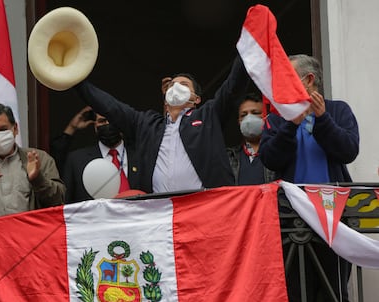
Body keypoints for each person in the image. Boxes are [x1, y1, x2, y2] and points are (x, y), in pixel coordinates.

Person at [259, 54, 359, 302]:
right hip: (291, 218)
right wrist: (291, 126)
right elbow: (269, 158)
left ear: (309, 79)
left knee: (333, 295)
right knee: (294, 294)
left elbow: (348, 150)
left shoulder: (339, 110)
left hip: (332, 216)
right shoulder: (277, 118)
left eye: (286, 78)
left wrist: (323, 119)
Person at [74, 55, 250, 193]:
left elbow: (233, 86)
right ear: (165, 98)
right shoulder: (146, 124)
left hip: (204, 209)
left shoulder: (208, 116)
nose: (176, 87)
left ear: (196, 99)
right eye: (172, 85)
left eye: (184, 85)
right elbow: (110, 107)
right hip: (162, 216)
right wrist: (76, 81)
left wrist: (247, 45)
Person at [0, 103, 65, 219]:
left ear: (15, 129)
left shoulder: (39, 158)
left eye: (3, 129)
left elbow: (58, 200)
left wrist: (38, 179)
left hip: (30, 234)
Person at [62, 112, 134, 203]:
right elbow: (65, 202)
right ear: (95, 126)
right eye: (102, 121)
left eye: (112, 120)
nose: (108, 124)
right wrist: (71, 128)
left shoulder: (141, 156)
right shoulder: (76, 160)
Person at [227, 93, 275, 185]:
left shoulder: (279, 152)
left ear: (266, 117)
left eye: (255, 113)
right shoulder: (229, 157)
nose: (248, 119)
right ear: (239, 121)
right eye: (243, 115)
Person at [50, 106, 96, 174]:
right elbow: (57, 157)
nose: (106, 125)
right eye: (101, 121)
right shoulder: (76, 157)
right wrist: (71, 128)